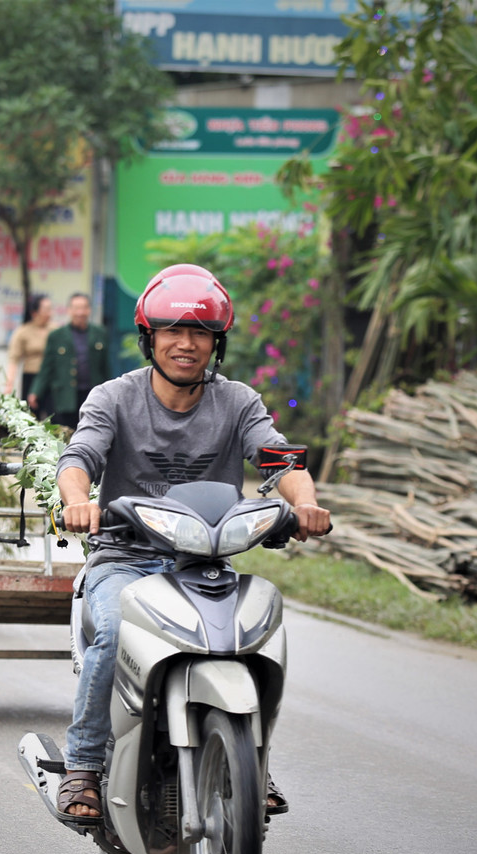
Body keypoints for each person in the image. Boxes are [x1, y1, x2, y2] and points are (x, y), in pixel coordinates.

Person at [52, 264, 333, 822]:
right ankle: (82, 765)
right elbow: (79, 458)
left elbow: (279, 460)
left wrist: (304, 503)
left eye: (200, 332)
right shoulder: (114, 398)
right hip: (125, 559)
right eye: (172, 332)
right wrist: (78, 499)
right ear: (149, 338)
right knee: (112, 633)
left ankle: (249, 759)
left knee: (253, 638)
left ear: (216, 343)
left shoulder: (238, 402)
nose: (186, 344)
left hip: (204, 563)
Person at [27, 292, 108, 429]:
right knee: (64, 435)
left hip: (91, 396)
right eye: (76, 308)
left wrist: (108, 392)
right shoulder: (56, 336)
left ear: (89, 310)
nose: (80, 313)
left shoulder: (100, 333)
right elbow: (47, 368)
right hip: (65, 397)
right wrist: (35, 392)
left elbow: (105, 367)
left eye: (84, 308)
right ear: (69, 310)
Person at [3, 293, 53, 399]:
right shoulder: (23, 331)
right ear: (34, 313)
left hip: (51, 379)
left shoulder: (55, 330)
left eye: (50, 309)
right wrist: (9, 384)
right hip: (31, 377)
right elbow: (13, 359)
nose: (50, 313)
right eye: (46, 310)